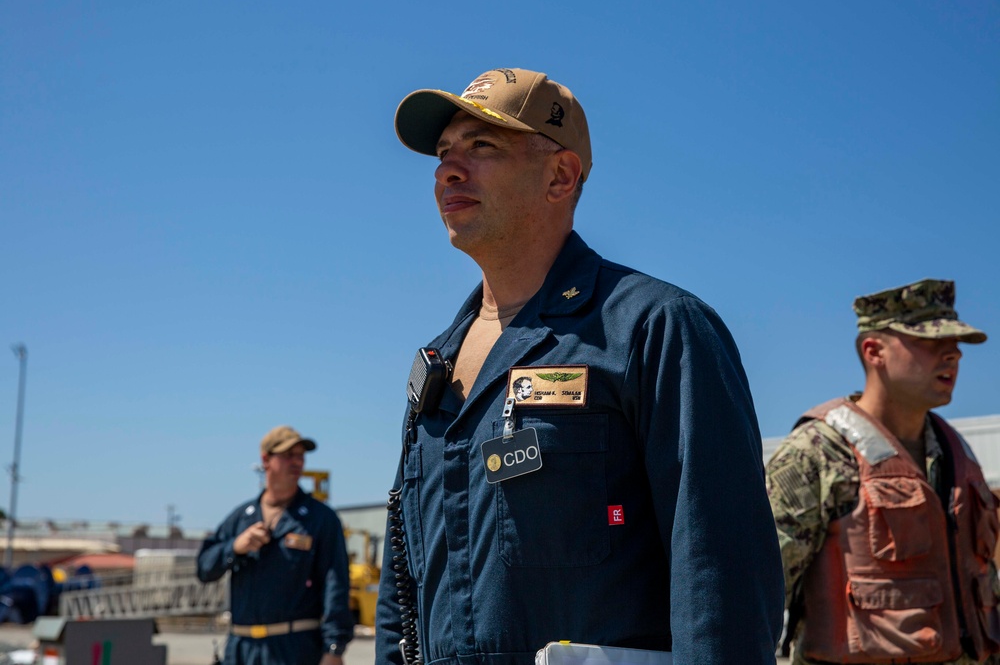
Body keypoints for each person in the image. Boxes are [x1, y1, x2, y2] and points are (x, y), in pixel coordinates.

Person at [375, 67, 784, 665]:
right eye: (443, 153)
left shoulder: (652, 328)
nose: (448, 170)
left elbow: (720, 567)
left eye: (481, 146)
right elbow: (405, 582)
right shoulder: (438, 363)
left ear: (560, 176)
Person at [766, 279, 1000, 665]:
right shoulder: (817, 454)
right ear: (874, 350)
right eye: (930, 341)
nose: (953, 354)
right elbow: (752, 594)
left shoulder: (959, 455)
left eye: (956, 344)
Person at [197, 425, 354, 665]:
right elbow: (204, 568)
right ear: (266, 459)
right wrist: (235, 547)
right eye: (288, 455)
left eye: (301, 456)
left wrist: (334, 649)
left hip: (294, 649)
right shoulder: (241, 518)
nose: (297, 462)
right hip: (241, 650)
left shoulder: (320, 519)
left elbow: (336, 586)